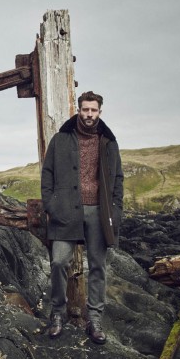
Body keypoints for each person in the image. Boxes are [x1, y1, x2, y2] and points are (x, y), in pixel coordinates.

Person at [41, 91, 123, 344]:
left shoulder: (108, 141)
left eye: (94, 110)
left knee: (98, 266)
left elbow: (118, 178)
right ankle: (57, 313)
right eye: (85, 110)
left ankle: (95, 319)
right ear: (78, 110)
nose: (89, 115)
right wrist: (51, 205)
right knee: (58, 262)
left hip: (99, 213)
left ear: (100, 112)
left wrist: (116, 211)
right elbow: (47, 174)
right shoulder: (61, 139)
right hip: (65, 211)